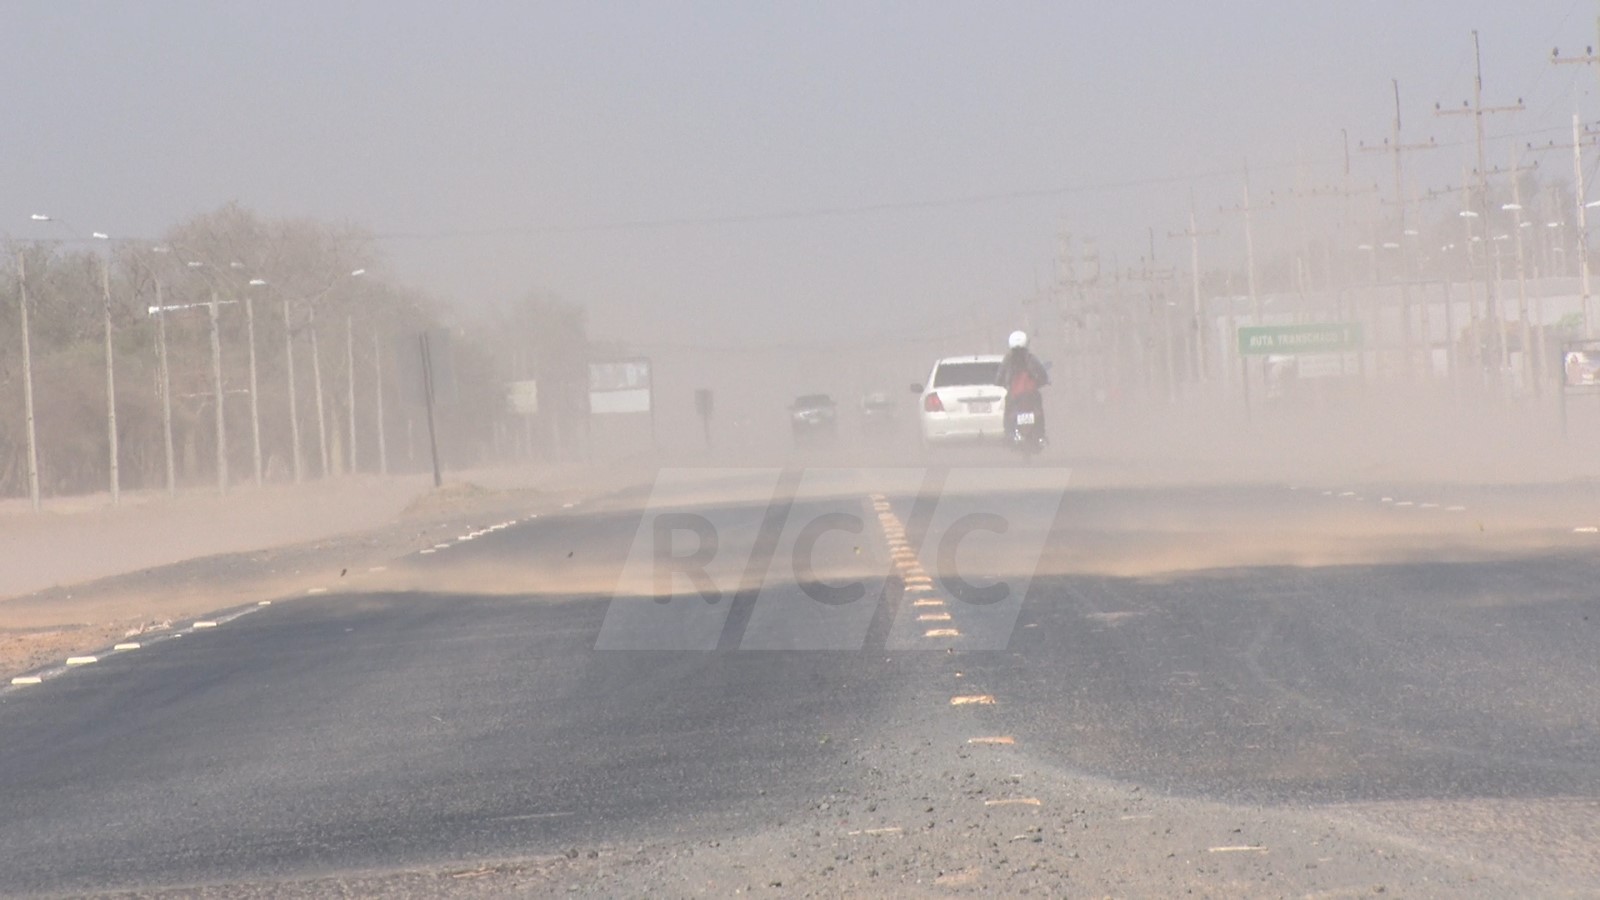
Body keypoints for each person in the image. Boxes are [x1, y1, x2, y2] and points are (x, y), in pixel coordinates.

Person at [995, 330, 1049, 440]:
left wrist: (1000, 383)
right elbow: (1042, 374)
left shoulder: (1008, 359)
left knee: (1008, 408)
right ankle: (1041, 434)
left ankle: (1009, 432)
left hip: (1015, 394)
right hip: (1031, 394)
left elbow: (1000, 376)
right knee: (1038, 407)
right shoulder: (1031, 358)